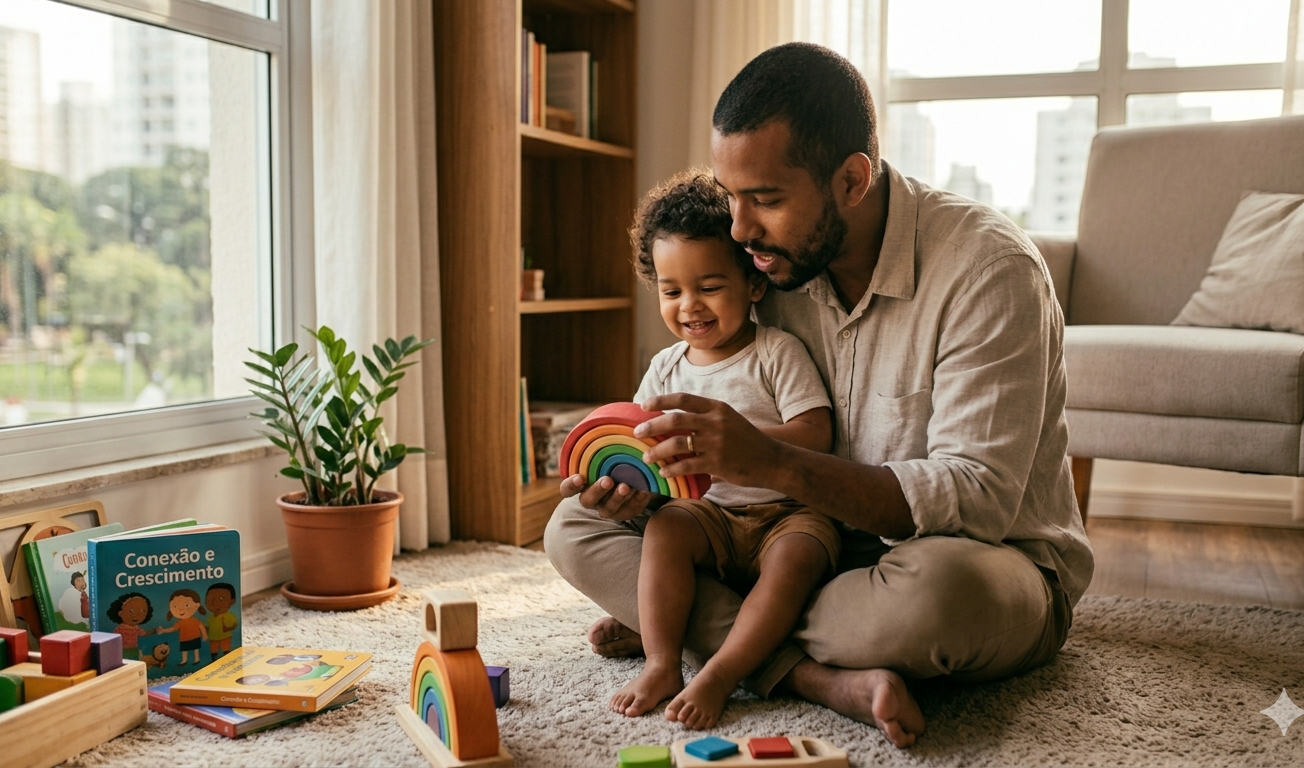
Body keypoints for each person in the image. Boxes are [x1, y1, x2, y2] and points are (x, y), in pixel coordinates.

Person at [545, 42, 1094, 748]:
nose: (739, 230)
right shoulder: (764, 264)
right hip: (785, 549)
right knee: (573, 530)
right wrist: (643, 486)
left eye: (765, 199)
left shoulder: (988, 270)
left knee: (938, 598)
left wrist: (772, 462)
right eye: (730, 196)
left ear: (851, 181)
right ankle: (813, 676)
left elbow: (980, 498)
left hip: (958, 561)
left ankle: (701, 628)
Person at [608, 171, 838, 730]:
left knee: (799, 557)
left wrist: (739, 448)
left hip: (786, 513)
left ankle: (721, 672)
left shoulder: (775, 352)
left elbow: (816, 435)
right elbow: (637, 442)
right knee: (665, 530)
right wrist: (612, 479)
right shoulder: (665, 366)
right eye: (671, 291)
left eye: (709, 287)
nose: (690, 306)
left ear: (754, 285)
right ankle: (663, 662)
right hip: (707, 514)